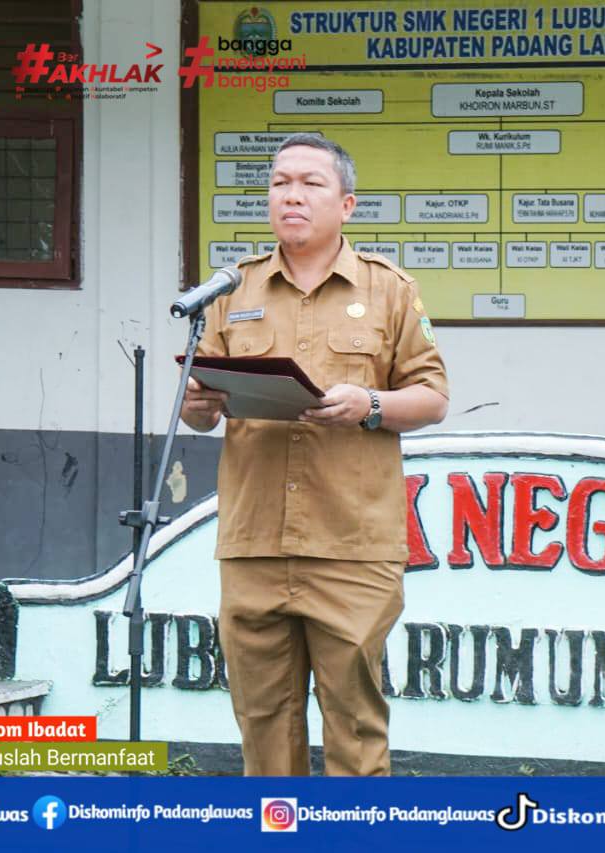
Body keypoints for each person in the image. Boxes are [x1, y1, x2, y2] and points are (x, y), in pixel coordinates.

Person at [179, 133, 449, 776]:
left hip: (351, 544)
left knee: (354, 726)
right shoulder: (230, 290)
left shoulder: (388, 289)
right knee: (262, 727)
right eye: (279, 183)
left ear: (347, 204)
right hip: (254, 541)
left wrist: (370, 405)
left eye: (309, 183)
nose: (291, 196)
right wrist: (197, 405)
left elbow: (432, 397)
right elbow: (200, 412)